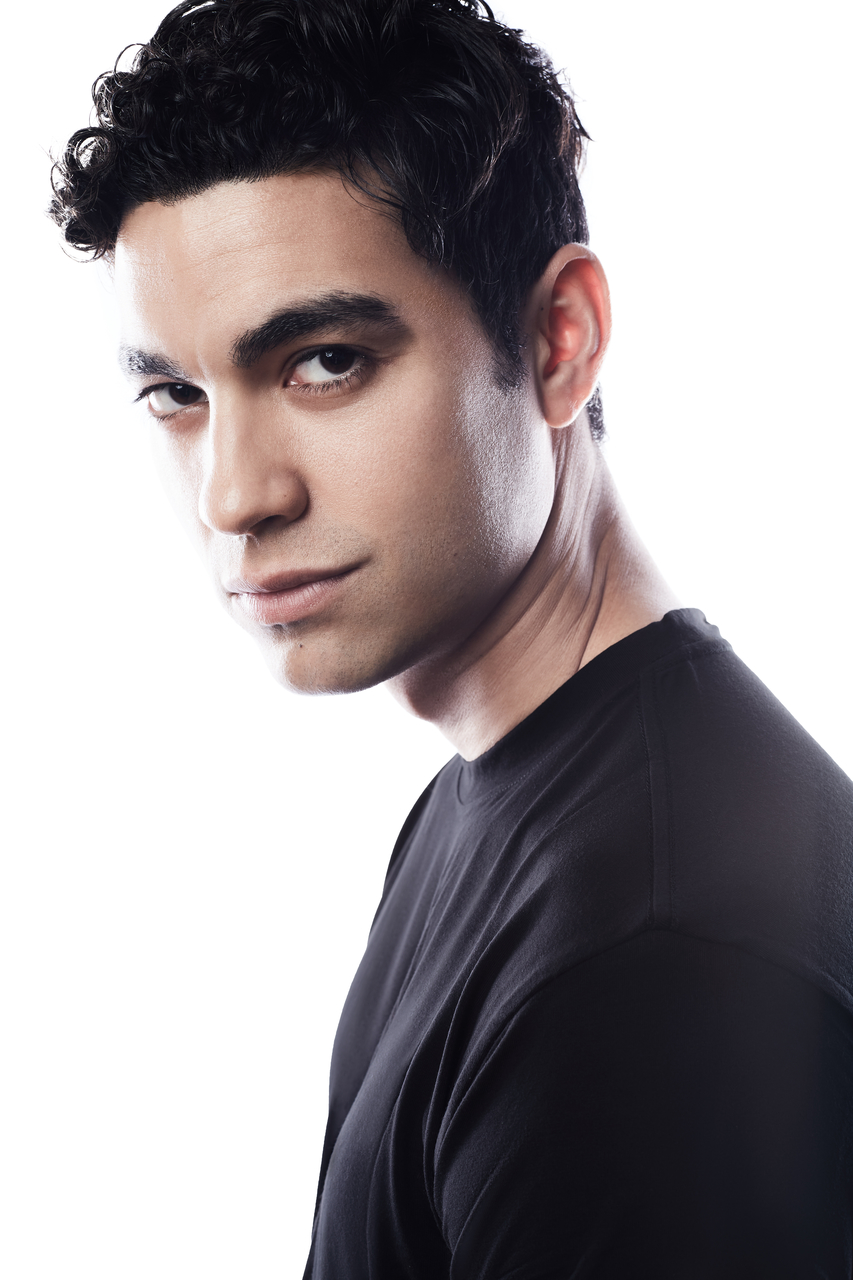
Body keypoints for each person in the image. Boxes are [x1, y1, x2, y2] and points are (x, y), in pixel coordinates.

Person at [50, 0, 853, 1273]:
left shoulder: (646, 957)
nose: (234, 494)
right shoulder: (506, 797)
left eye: (324, 361)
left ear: (558, 340)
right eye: (177, 393)